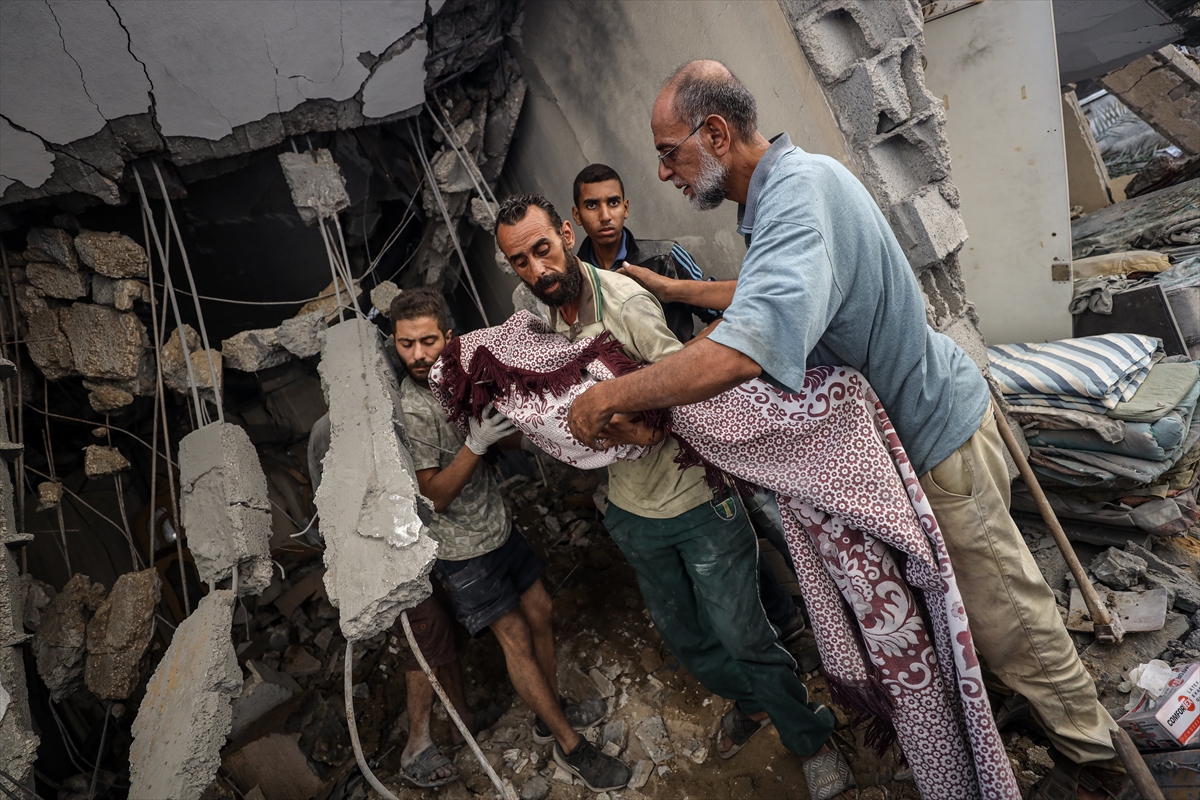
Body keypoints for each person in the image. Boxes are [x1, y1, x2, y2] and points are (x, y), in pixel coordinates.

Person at [565, 59, 1123, 800]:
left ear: (717, 133)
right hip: (924, 429)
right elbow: (767, 284)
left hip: (935, 440)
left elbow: (739, 350)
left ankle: (1095, 759)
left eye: (670, 151)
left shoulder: (796, 197)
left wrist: (610, 399)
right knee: (971, 610)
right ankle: (1004, 704)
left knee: (1010, 618)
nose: (664, 171)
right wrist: (675, 290)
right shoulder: (787, 192)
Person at [494, 194, 854, 798]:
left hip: (698, 499)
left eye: (543, 250)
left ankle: (810, 738)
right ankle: (754, 704)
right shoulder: (545, 320)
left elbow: (688, 389)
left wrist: (621, 413)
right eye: (521, 262)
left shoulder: (626, 301)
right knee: (687, 638)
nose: (538, 270)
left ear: (564, 234)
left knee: (744, 635)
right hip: (634, 510)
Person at [388, 288, 631, 792]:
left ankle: (547, 714)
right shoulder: (412, 408)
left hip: (496, 528)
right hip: (461, 551)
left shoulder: (455, 377)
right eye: (405, 343)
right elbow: (434, 497)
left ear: (448, 338)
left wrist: (552, 425)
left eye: (427, 341)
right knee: (515, 637)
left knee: (540, 610)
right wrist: (476, 445)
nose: (417, 355)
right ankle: (570, 747)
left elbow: (511, 428)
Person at [572, 162, 806, 646]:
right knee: (720, 537)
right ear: (576, 216)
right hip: (645, 441)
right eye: (592, 205)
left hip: (703, 410)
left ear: (627, 206)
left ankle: (816, 616)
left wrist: (689, 365)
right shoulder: (575, 283)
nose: (605, 215)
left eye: (613, 202)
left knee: (762, 514)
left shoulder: (663, 258)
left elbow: (729, 310)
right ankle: (780, 627)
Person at [308, 414, 474, 788]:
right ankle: (416, 745)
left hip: (404, 548)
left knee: (443, 625)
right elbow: (339, 505)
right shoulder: (332, 429)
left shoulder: (379, 410)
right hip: (377, 556)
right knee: (426, 629)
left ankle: (461, 722)